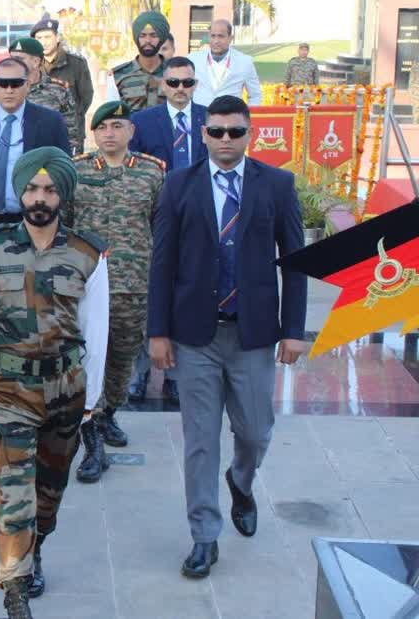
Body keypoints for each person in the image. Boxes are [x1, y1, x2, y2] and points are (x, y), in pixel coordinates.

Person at [148, 95, 306, 579]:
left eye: (235, 132)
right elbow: (163, 263)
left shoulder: (277, 185)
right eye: (216, 131)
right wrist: (158, 332)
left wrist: (294, 331)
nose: (225, 140)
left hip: (254, 335)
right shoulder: (179, 186)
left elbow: (296, 263)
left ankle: (241, 479)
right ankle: (204, 536)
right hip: (196, 335)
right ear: (203, 133)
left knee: (256, 432)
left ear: (249, 133)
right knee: (200, 440)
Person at [0, 147, 109, 619]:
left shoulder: (88, 253)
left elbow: (96, 328)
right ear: (19, 192)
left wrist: (93, 401)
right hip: (11, 390)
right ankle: (15, 591)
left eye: (48, 189)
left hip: (67, 390)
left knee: (48, 494)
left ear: (62, 194)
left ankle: (36, 545)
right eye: (31, 189)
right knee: (14, 492)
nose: (39, 198)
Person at [0, 58, 71, 414]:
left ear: (28, 84)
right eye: (2, 83)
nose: (8, 90)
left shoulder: (48, 121)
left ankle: (30, 382)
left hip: (32, 222)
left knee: (31, 304)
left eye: (15, 83)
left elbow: (62, 173)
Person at [66, 102, 164, 483]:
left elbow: (160, 224)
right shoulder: (77, 170)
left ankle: (107, 414)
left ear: (130, 132)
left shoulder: (152, 174)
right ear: (93, 133)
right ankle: (92, 435)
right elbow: (67, 224)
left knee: (123, 356)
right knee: (88, 357)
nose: (109, 133)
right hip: (88, 283)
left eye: (117, 126)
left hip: (132, 281)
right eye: (102, 126)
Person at [127, 55, 209, 406]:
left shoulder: (209, 119)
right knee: (149, 296)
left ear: (195, 85)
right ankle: (140, 371)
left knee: (187, 295)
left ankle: (176, 376)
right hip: (155, 219)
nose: (180, 89)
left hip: (199, 219)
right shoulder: (143, 122)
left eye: (187, 83)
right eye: (173, 82)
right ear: (162, 84)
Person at [32, 13, 93, 154]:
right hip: (39, 133)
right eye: (39, 38)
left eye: (48, 37)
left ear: (57, 38)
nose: (43, 42)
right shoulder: (32, 65)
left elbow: (86, 96)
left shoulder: (76, 64)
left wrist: (71, 118)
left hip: (69, 134)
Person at [10, 38, 81, 154]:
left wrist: (66, 163)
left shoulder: (58, 91)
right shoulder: (3, 90)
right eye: (11, 59)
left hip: (46, 162)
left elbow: (70, 132)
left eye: (19, 59)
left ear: (36, 62)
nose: (13, 63)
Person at [105, 11, 170, 112]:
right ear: (136, 38)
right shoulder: (118, 75)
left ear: (161, 38)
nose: (148, 40)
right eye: (142, 35)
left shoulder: (175, 73)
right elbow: (112, 114)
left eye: (153, 35)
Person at [188, 19, 262, 106]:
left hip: (231, 117)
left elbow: (255, 95)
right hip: (200, 117)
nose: (216, 41)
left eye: (221, 36)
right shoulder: (193, 59)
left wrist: (245, 116)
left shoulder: (244, 62)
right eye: (213, 36)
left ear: (230, 38)